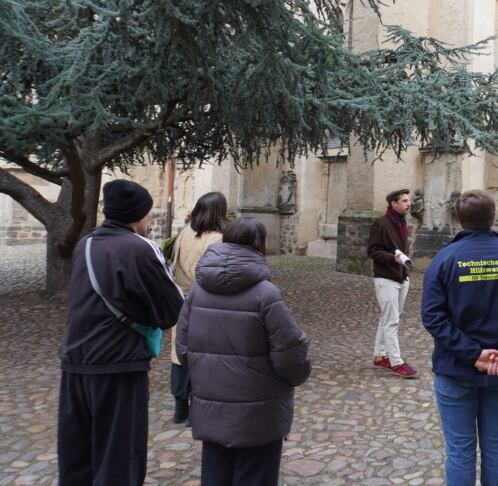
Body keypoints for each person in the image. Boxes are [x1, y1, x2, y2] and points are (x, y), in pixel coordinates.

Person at [58, 179, 184, 485]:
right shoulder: (140, 248)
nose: (151, 220)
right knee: (119, 456)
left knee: (78, 456)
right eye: (149, 213)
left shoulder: (84, 244)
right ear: (139, 216)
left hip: (76, 360)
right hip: (119, 363)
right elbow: (172, 310)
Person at [421, 190, 498, 486]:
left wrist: (472, 354)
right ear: (492, 217)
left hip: (456, 370)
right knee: (496, 444)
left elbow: (433, 317)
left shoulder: (445, 258)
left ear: (460, 219)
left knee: (461, 450)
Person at [176, 217, 311, 486]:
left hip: (212, 405)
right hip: (258, 413)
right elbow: (291, 354)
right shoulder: (265, 293)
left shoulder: (198, 291)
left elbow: (183, 349)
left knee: (215, 474)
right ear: (261, 244)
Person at [169, 191, 229, 425]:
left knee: (180, 353)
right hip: (208, 302)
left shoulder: (184, 233)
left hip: (183, 299)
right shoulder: (220, 238)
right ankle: (197, 408)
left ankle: (180, 408)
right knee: (205, 354)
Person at [367, 188, 417, 377]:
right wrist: (392, 258)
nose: (408, 203)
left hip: (401, 277)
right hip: (386, 278)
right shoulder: (381, 223)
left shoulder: (401, 222)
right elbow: (372, 251)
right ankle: (396, 362)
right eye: (404, 201)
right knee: (392, 321)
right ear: (393, 204)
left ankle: (380, 357)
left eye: (408, 200)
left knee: (387, 318)